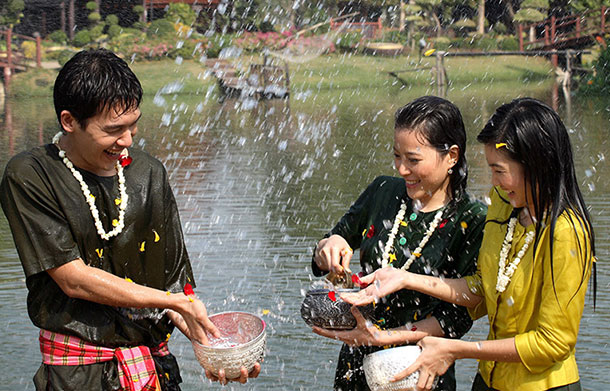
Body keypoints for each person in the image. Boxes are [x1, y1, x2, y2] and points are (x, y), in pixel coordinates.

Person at [0, 48, 260, 390]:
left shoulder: (148, 172)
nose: (126, 142)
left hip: (155, 368)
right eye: (113, 130)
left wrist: (209, 346)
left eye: (133, 126)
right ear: (69, 121)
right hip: (79, 375)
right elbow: (73, 279)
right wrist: (172, 301)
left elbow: (174, 286)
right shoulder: (32, 175)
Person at [343, 97, 596, 391]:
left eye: (500, 170)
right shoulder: (506, 204)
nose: (494, 181)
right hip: (488, 381)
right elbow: (482, 288)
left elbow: (553, 343)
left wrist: (458, 349)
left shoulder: (566, 233)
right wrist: (405, 278)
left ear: (538, 165)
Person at [311, 96, 487, 391]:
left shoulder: (472, 219)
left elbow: (459, 316)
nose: (402, 169)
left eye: (413, 160)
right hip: (356, 361)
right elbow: (334, 242)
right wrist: (329, 247)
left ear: (452, 156)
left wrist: (385, 336)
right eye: (397, 156)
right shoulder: (383, 191)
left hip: (420, 368)